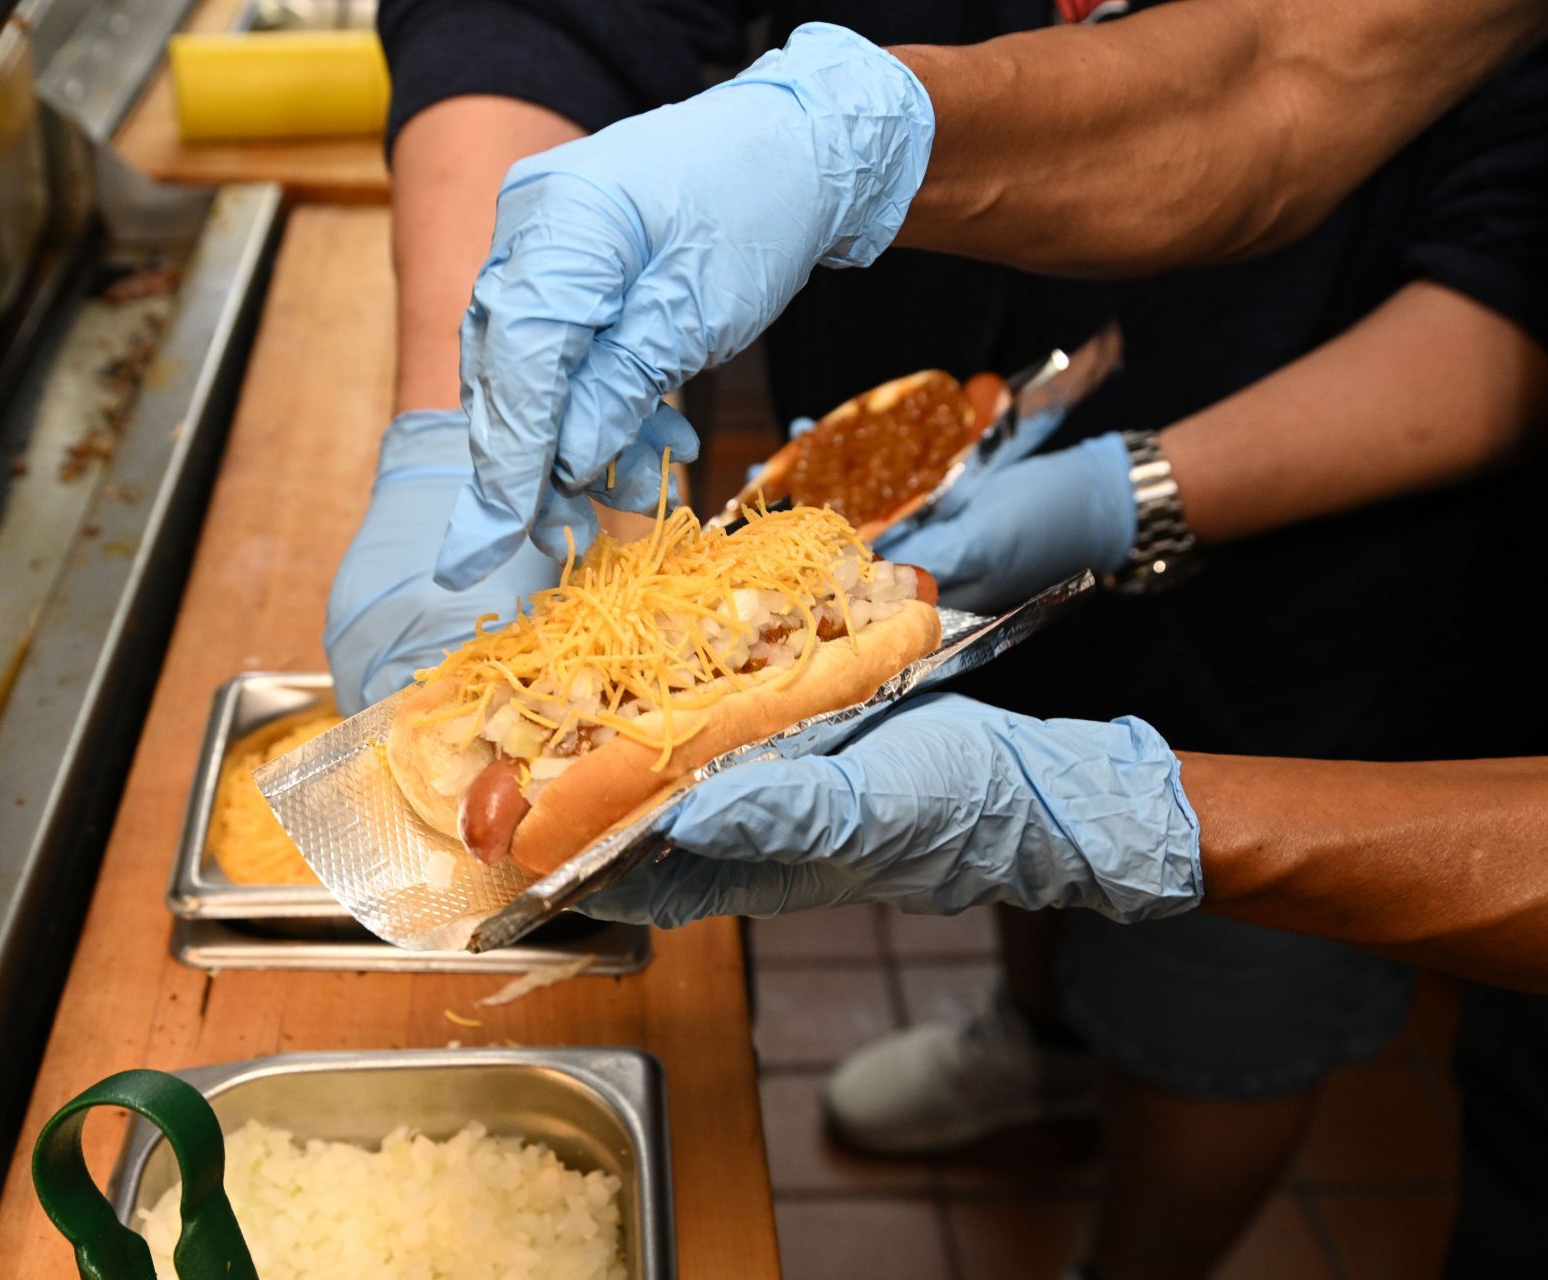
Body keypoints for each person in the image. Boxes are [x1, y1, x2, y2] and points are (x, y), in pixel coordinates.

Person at [326, 4, 1548, 1276]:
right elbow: (1289, 70)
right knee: (1021, 808)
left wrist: (1122, 515)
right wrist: (450, 426)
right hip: (908, 485)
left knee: (1222, 1006)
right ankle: (1034, 1041)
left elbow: (1492, 251)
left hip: (1306, 596)